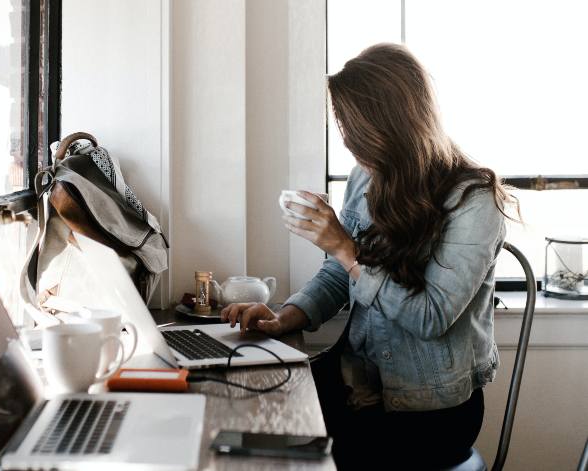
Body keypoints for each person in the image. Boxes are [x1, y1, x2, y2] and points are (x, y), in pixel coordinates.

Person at [221, 43, 518, 469]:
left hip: (428, 412)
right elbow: (339, 274)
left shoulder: (474, 201)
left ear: (394, 124)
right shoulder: (366, 178)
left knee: (282, 449)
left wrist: (345, 247)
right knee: (247, 410)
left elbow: (429, 317)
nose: (346, 140)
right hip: (357, 382)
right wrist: (286, 315)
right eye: (343, 125)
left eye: (353, 128)